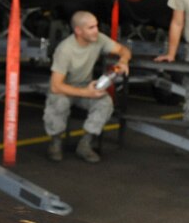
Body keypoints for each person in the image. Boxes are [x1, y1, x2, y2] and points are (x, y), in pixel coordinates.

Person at [44, 10, 131, 163]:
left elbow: (124, 50)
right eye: (91, 27)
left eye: (96, 26)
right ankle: (55, 142)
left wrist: (123, 61)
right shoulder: (65, 49)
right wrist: (86, 93)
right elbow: (56, 86)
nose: (96, 30)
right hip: (66, 88)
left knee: (105, 103)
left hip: (86, 86)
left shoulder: (99, 39)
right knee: (59, 102)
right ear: (78, 31)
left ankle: (85, 144)